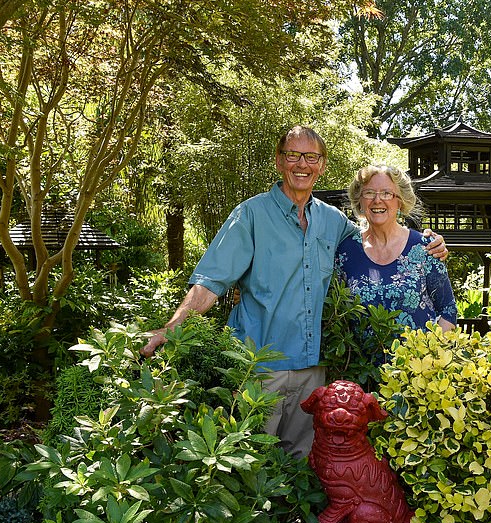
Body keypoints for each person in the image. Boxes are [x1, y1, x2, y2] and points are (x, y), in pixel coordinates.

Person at [141, 126, 447, 458]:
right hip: (258, 367)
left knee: (302, 469)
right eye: (293, 155)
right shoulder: (251, 215)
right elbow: (211, 280)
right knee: (248, 463)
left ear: (322, 165)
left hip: (312, 372)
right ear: (279, 161)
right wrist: (173, 326)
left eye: (311, 157)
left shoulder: (333, 222)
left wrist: (430, 241)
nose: (302, 164)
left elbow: (377, 236)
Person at [337, 164, 457, 342]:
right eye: (369, 193)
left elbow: (448, 312)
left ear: (400, 201)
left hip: (416, 366)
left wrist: (426, 359)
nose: (377, 200)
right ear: (360, 201)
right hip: (360, 368)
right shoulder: (345, 251)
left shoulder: (425, 248)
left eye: (386, 193)